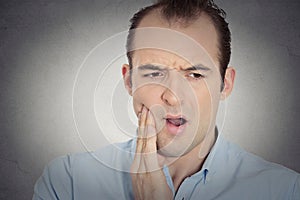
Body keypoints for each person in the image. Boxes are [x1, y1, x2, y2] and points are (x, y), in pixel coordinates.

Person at [33, 0, 300, 199]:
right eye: (154, 73)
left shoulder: (284, 191)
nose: (173, 96)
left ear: (225, 84)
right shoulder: (67, 182)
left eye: (194, 74)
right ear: (128, 81)